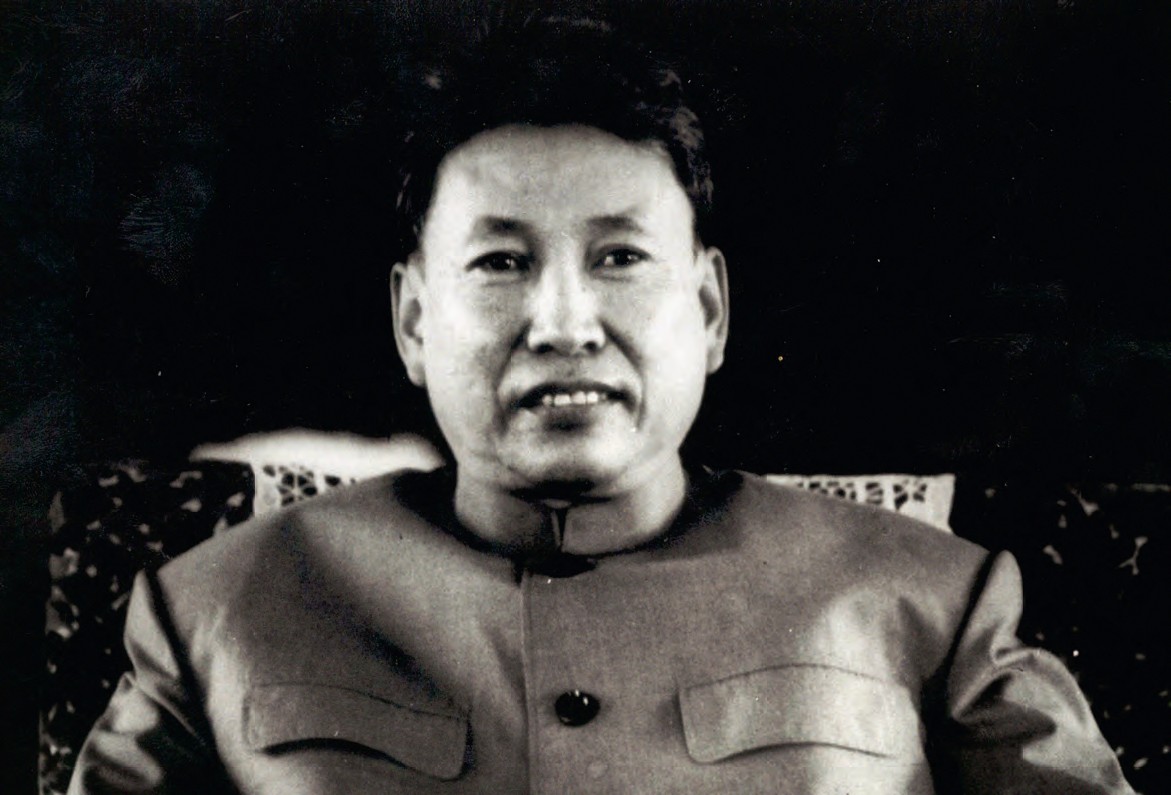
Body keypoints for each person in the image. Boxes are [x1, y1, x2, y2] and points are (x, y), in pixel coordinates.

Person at [69, 16, 1134, 794]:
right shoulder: (216, 615)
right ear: (412, 320)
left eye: (619, 256)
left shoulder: (931, 605)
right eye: (500, 262)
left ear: (709, 310)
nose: (563, 322)